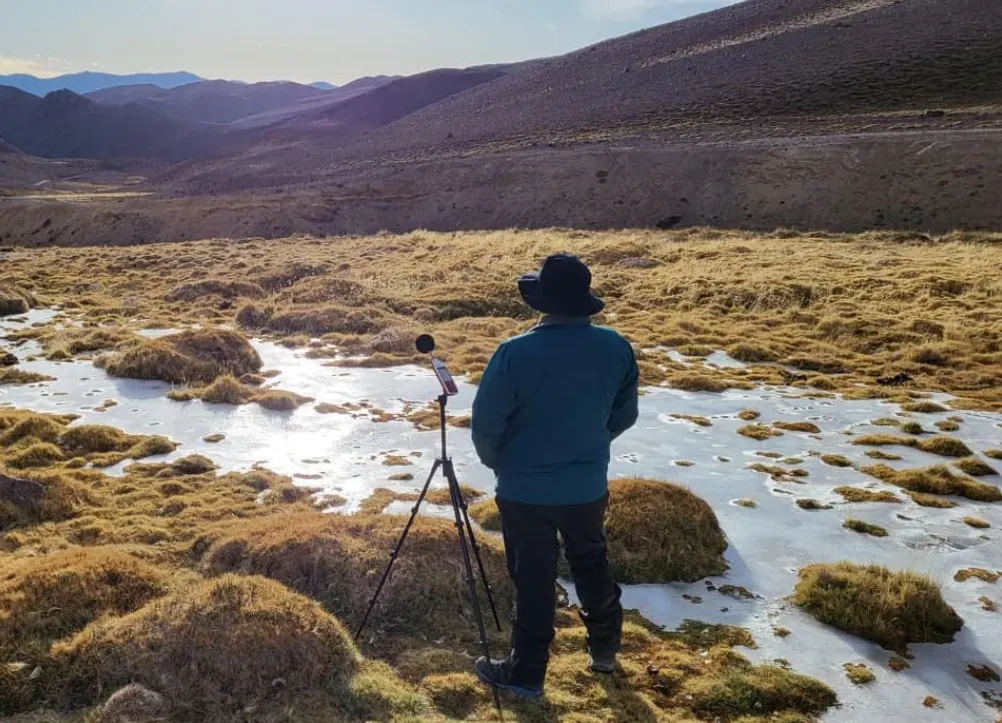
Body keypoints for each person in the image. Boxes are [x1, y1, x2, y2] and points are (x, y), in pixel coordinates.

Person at [470, 253, 640, 699]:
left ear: (542, 302)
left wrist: (499, 463)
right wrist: (590, 445)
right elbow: (625, 414)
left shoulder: (513, 353)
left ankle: (526, 674)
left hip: (525, 491)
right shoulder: (615, 347)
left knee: (533, 577)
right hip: (586, 485)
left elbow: (486, 426)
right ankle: (604, 649)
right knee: (591, 560)